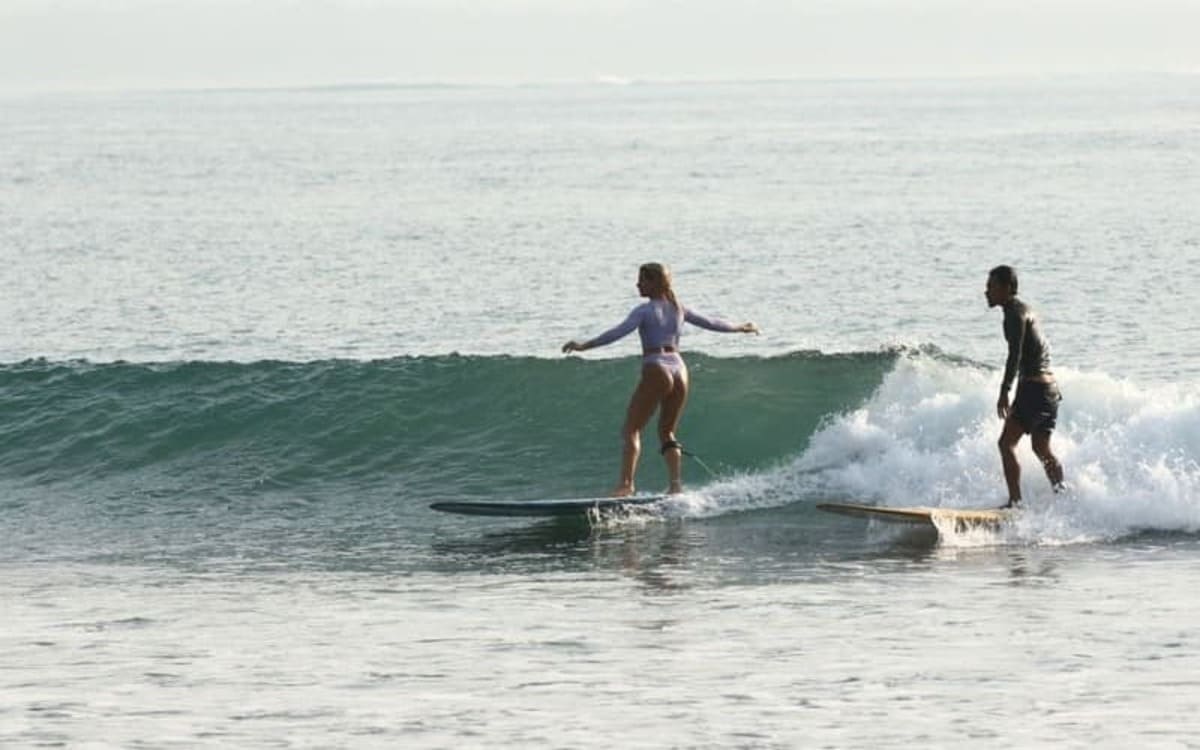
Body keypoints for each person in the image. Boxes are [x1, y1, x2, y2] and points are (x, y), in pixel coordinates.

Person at [562, 263, 758, 497]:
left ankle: (626, 485)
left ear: (655, 283)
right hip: (679, 368)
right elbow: (713, 323)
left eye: (642, 280)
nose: (638, 284)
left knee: (631, 430)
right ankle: (675, 486)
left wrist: (584, 345)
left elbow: (617, 332)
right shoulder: (679, 309)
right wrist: (740, 328)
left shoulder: (644, 311)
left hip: (656, 366)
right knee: (667, 433)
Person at [985, 264, 1065, 507]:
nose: (986, 292)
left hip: (1033, 389)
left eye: (991, 287)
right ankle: (1063, 498)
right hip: (1050, 391)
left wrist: (1004, 392)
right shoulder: (1027, 310)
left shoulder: (1013, 315)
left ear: (1007, 288)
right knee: (1041, 449)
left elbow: (1015, 355)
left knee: (1005, 444)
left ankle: (1015, 503)